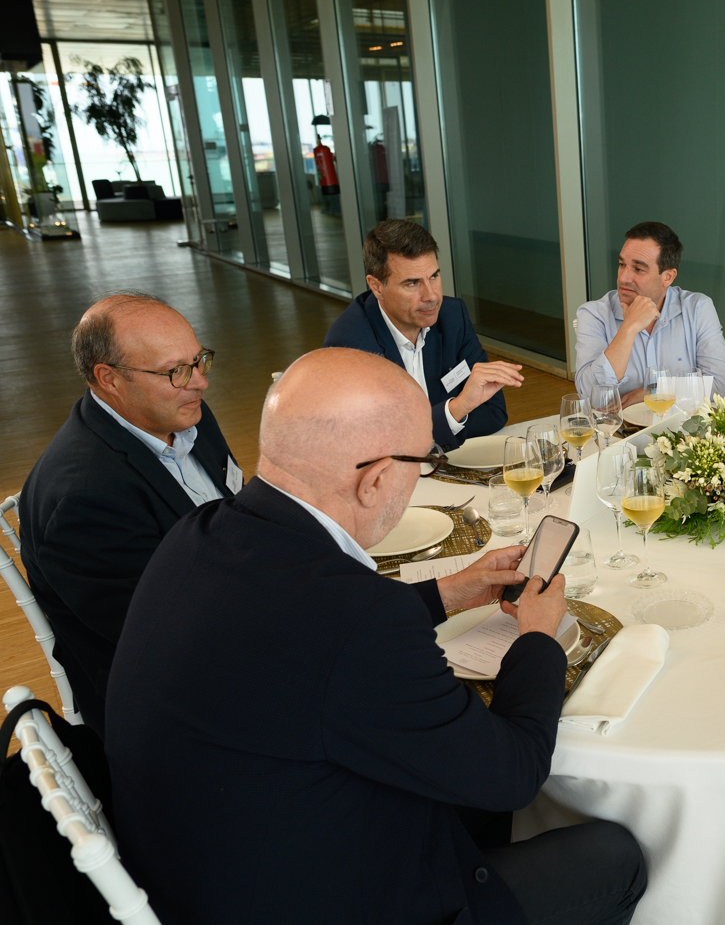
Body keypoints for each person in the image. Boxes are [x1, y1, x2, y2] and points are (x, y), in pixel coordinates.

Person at [104, 347, 647, 925]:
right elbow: (513, 773)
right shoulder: (356, 618)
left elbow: (310, 641)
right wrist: (538, 637)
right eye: (423, 459)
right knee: (616, 857)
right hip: (324, 895)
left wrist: (446, 593)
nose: (420, 474)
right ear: (377, 478)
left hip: (205, 864)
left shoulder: (201, 532)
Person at [18, 293, 237, 737]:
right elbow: (171, 645)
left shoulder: (181, 411)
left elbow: (232, 510)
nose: (200, 382)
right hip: (176, 709)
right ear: (109, 378)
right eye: (176, 370)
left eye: (199, 361)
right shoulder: (84, 500)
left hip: (232, 610)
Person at [324, 219, 523, 448]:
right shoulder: (349, 344)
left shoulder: (452, 316)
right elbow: (369, 442)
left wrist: (433, 427)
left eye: (434, 277)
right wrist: (456, 410)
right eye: (412, 283)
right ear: (377, 286)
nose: (432, 296)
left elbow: (493, 413)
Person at [573, 221, 725, 405]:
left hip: (682, 430)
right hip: (620, 431)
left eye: (638, 269)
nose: (623, 278)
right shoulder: (594, 314)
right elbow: (590, 397)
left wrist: (649, 392)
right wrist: (628, 329)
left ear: (668, 277)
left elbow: (723, 387)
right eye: (621, 264)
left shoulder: (697, 309)